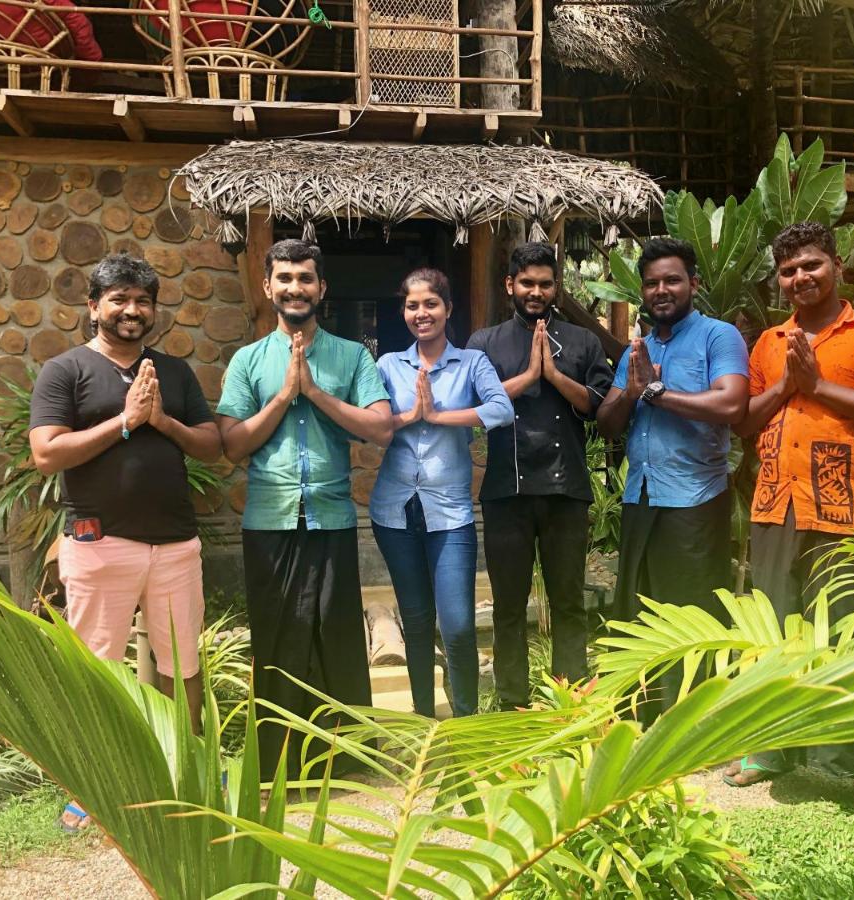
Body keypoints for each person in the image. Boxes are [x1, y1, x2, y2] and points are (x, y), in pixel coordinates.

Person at [724, 221, 854, 836]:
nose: (800, 277)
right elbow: (746, 422)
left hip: (849, 510)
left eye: (810, 265)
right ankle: (775, 747)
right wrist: (789, 383)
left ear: (836, 264)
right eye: (788, 271)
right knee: (778, 635)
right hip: (775, 507)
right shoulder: (769, 342)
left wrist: (820, 387)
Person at [29, 254, 222, 831]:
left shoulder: (174, 373)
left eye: (142, 300)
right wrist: (124, 422)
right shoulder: (65, 371)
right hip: (99, 543)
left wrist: (161, 421)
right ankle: (95, 784)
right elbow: (46, 453)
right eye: (119, 299)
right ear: (94, 307)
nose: (132, 310)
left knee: (183, 664)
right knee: (97, 668)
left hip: (175, 544)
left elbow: (211, 445)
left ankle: (188, 772)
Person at [216, 239, 392, 780]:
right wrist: (282, 396)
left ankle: (349, 760)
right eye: (285, 278)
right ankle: (280, 764)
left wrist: (313, 392)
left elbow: (381, 427)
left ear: (322, 288)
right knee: (276, 637)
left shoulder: (352, 356)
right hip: (269, 519)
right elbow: (232, 444)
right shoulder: (247, 361)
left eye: (306, 278)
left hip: (331, 515)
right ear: (268, 287)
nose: (296, 288)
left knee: (336, 634)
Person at [596, 237, 749, 717]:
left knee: (692, 618)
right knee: (639, 614)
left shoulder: (718, 337)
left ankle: (695, 722)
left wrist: (656, 392)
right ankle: (642, 721)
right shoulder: (637, 350)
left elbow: (731, 403)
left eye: (672, 280)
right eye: (651, 283)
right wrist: (631, 391)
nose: (661, 290)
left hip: (695, 500)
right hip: (641, 497)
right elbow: (607, 423)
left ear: (693, 284)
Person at [466, 242, 614, 711]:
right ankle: (512, 702)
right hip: (505, 491)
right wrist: (529, 376)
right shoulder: (484, 343)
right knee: (509, 605)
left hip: (566, 489)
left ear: (557, 288)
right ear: (510, 284)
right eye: (527, 283)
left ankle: (570, 701)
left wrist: (553, 375)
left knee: (568, 600)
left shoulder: (583, 342)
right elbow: (475, 407)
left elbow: (598, 405)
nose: (536, 292)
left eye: (545, 284)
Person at [370, 269, 513, 718]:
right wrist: (411, 415)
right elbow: (371, 425)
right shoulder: (388, 366)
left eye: (430, 304)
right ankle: (424, 718)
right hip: (394, 511)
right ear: (404, 312)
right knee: (415, 621)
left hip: (450, 513)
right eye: (412, 305)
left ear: (447, 309)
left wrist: (437, 416)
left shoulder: (471, 363)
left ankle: (466, 720)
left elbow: (501, 409)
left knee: (458, 625)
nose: (421, 313)